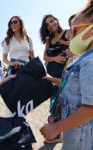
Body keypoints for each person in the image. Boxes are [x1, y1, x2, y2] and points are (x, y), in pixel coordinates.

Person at [40, 0, 93, 149]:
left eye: (74, 31)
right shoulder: (82, 61)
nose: (71, 39)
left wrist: (57, 128)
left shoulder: (90, 62)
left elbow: (90, 108)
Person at [40, 14, 71, 143]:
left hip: (63, 73)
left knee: (65, 103)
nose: (51, 24)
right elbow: (45, 57)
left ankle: (62, 132)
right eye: (47, 24)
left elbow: (74, 49)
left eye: (52, 21)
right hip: (51, 75)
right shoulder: (49, 40)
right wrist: (56, 58)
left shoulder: (68, 33)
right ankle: (57, 133)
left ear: (57, 20)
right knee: (54, 103)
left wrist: (66, 68)